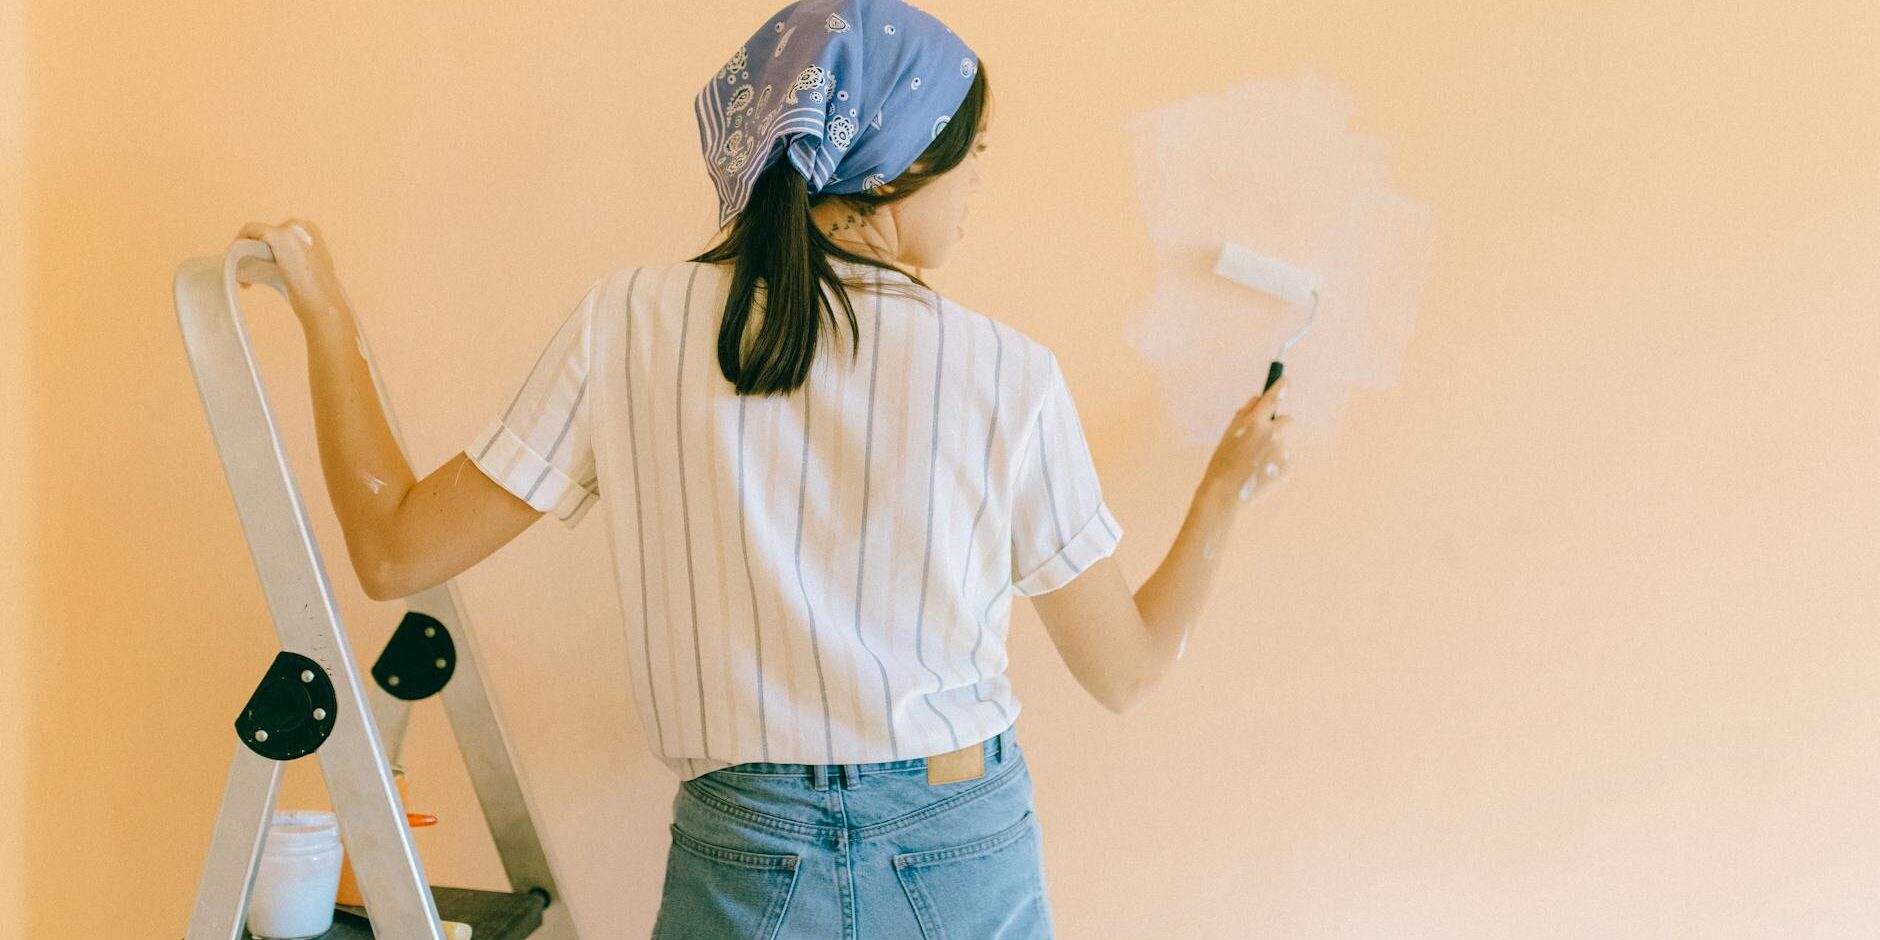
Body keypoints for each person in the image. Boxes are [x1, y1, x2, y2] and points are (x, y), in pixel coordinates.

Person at [234, 0, 1292, 935]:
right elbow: (1128, 670)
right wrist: (1225, 490)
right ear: (891, 164)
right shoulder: (1003, 373)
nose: (978, 183)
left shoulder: (630, 322)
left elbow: (394, 548)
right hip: (959, 846)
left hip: (746, 851)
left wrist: (328, 322)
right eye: (969, 152)